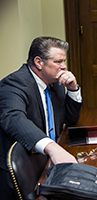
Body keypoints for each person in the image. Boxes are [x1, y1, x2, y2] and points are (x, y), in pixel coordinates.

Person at [0, 37, 83, 199]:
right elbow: (13, 118)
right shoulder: (14, 84)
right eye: (58, 61)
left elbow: (71, 119)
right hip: (23, 172)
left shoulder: (56, 81)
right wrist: (52, 147)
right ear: (39, 62)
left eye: (64, 61)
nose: (64, 67)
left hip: (50, 163)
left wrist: (73, 89)